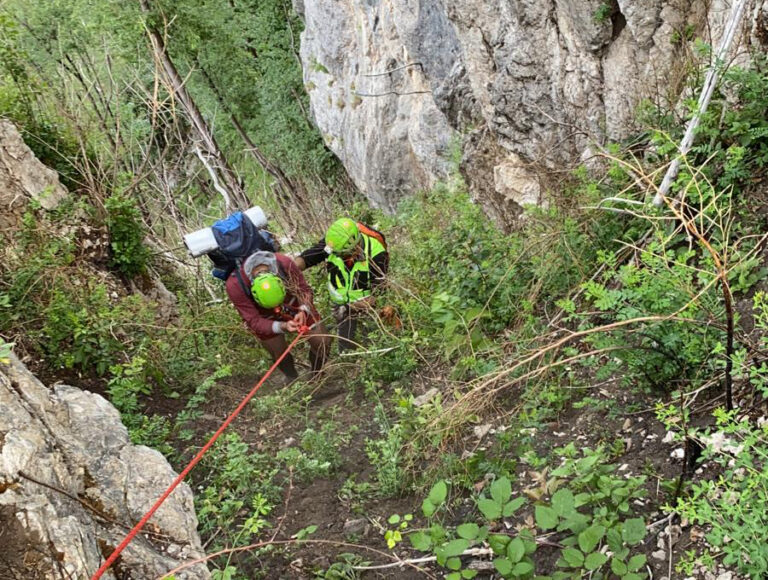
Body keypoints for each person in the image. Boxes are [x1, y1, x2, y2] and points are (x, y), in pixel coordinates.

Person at [225, 251, 329, 381]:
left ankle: (316, 374)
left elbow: (304, 290)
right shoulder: (234, 285)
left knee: (322, 342)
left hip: (292, 303)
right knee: (278, 353)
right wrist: (282, 326)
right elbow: (254, 321)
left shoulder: (284, 264)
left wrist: (303, 310)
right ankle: (292, 378)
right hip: (263, 314)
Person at [294, 218, 388, 352]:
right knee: (345, 349)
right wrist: (290, 268)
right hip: (342, 306)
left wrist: (352, 306)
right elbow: (309, 257)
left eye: (341, 254)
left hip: (368, 308)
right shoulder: (335, 243)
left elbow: (379, 293)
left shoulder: (377, 255)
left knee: (373, 344)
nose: (337, 256)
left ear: (354, 247)